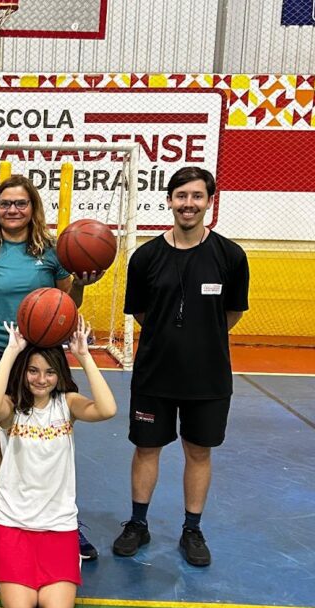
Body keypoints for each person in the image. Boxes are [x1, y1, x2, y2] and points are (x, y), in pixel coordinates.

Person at [0, 175, 98, 560]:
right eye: (5, 203)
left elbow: (68, 304)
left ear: (33, 208)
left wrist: (81, 283)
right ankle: (0, 522)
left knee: (52, 443)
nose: (13, 210)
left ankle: (64, 522)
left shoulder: (51, 250)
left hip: (42, 360)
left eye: (21, 203)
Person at [110, 166, 249, 567]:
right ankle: (138, 523)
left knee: (199, 452)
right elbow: (140, 312)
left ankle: (192, 529)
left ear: (209, 202)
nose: (189, 204)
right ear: (169, 200)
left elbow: (232, 313)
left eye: (197, 196)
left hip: (208, 377)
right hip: (155, 373)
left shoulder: (230, 256)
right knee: (146, 448)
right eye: (181, 196)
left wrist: (200, 338)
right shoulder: (145, 257)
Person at [0, 318, 116, 608]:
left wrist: (85, 357)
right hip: (12, 523)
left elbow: (107, 409)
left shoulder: (67, 404)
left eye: (50, 372)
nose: (41, 379)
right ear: (23, 372)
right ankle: (10, 566)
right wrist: (12, 351)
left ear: (60, 374)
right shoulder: (11, 408)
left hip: (58, 525)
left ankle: (57, 568)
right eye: (33, 370)